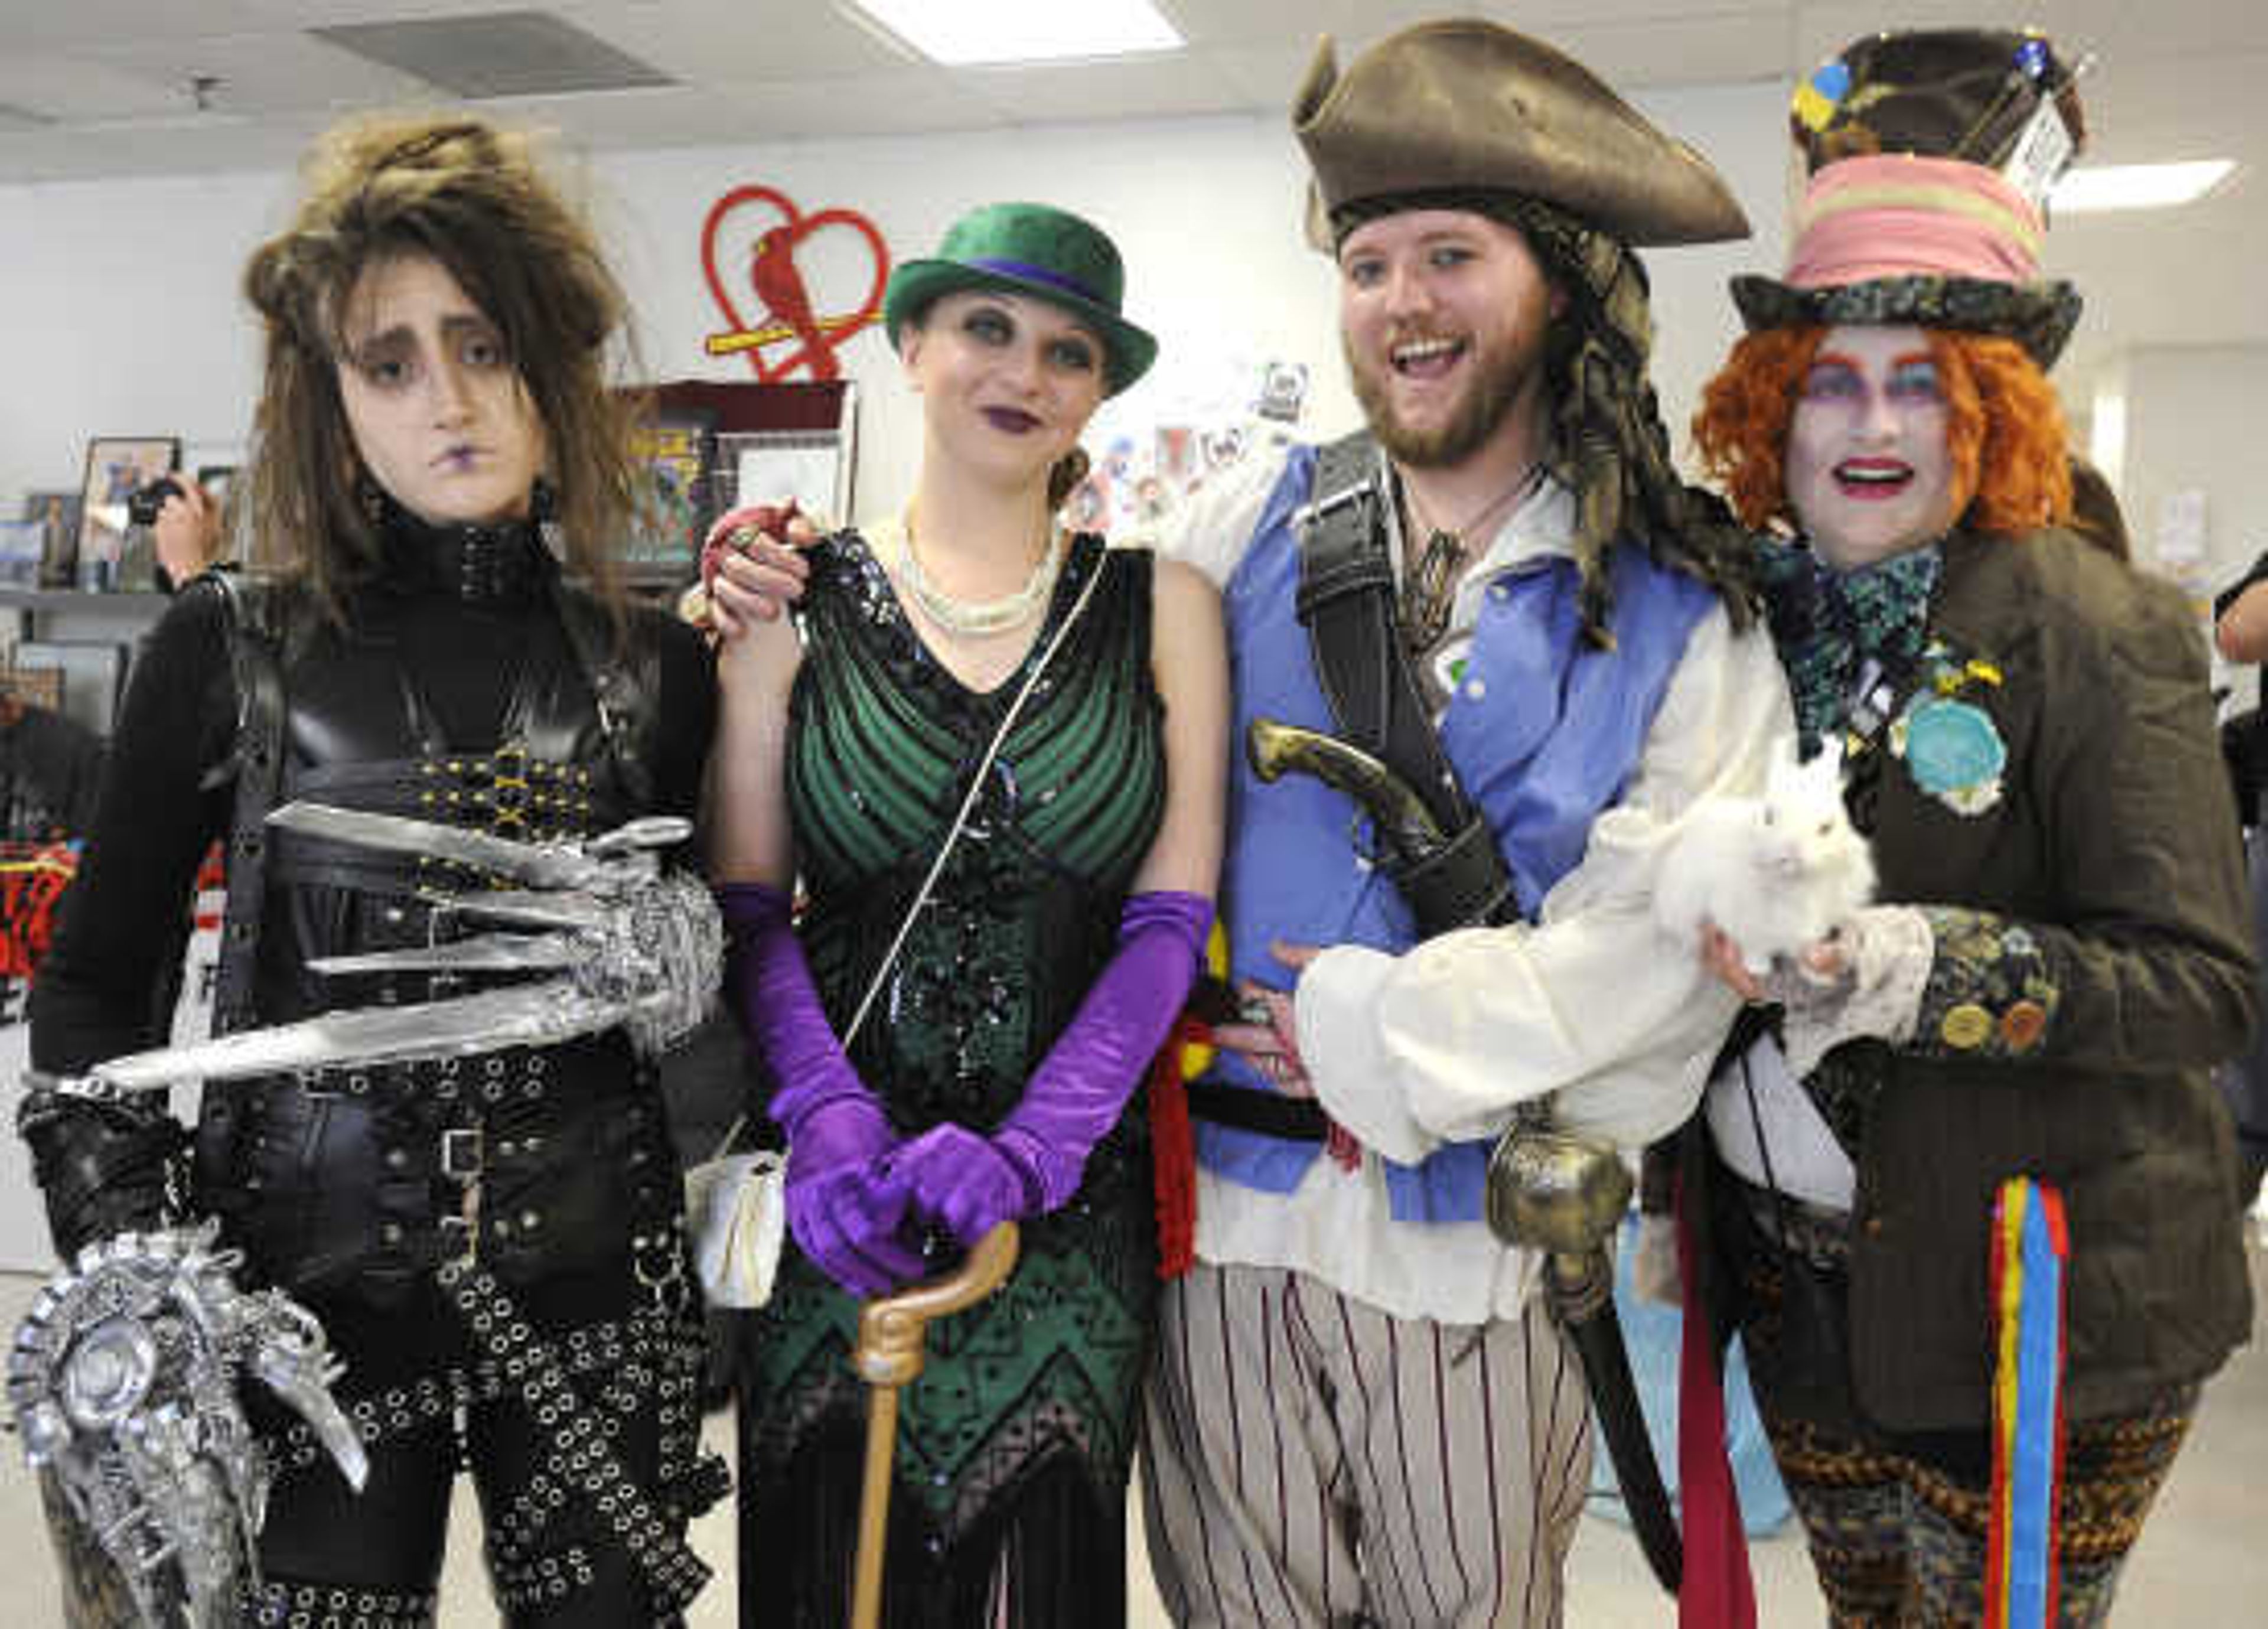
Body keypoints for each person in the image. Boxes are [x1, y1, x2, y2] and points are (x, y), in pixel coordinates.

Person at [21, 113, 722, 1625]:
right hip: (297, 1294)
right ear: (331, 397)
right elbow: (91, 984)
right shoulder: (228, 644)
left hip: (597, 1279)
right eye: (387, 362)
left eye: (482, 345)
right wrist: (139, 1252)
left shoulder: (656, 668)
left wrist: (689, 963)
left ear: (552, 357)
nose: (446, 402)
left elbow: (705, 1018)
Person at [1132, 21, 1787, 1625]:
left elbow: (1668, 962)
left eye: (1450, 256)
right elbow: (1055, 735)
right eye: (1368, 264)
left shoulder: (1683, 604)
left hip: (1480, 1262)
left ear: (1557, 283)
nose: (1402, 302)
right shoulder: (1233, 525)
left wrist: (1369, 1019)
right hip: (1218, 1234)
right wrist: (802, 584)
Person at [1686, 29, 2257, 1625]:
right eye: (1832, 381)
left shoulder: (2111, 626)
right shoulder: (1736, 619)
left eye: (1920, 382)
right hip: (1800, 1294)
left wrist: (1902, 963)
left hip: (2048, 1307)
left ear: (1988, 412)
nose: (1871, 422)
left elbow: (2201, 981)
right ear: (1771, 412)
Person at [708, 201, 1227, 1626]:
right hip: (838, 1204)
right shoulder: (787, 600)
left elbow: (1169, 918)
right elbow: (748, 904)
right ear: (916, 345)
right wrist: (822, 1111)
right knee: (825, 1577)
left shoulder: (1161, 604)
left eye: (1069, 351)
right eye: (987, 328)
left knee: (1041, 1578)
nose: (1024, 371)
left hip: (1068, 1215)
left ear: (1100, 391)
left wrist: (1040, 1145)